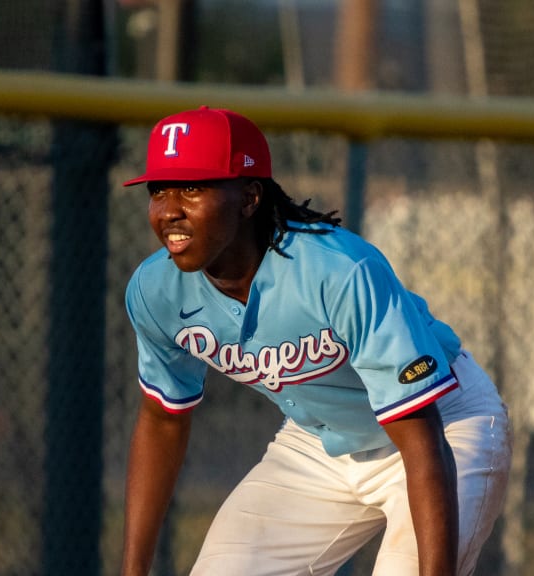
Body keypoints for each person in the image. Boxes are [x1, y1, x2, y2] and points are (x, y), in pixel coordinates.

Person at [120, 106, 512, 576]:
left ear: (249, 197)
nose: (169, 211)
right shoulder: (155, 290)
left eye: (192, 187)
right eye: (158, 190)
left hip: (444, 424)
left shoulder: (338, 270)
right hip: (319, 441)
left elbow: (420, 432)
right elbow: (163, 421)